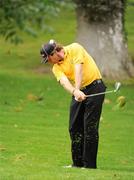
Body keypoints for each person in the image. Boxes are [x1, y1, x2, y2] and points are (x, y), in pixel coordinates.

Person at [40, 40, 106, 169]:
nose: (49, 62)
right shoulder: (56, 68)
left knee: (90, 127)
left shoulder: (75, 48)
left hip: (95, 87)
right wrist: (75, 92)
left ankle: (89, 166)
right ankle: (77, 164)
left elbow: (78, 69)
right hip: (79, 91)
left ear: (54, 53)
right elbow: (64, 82)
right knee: (74, 126)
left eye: (48, 59)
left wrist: (77, 89)